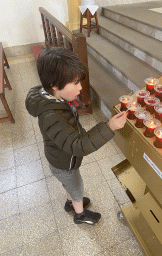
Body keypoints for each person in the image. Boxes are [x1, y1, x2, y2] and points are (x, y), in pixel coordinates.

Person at [25, 47, 127, 225]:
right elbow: (78, 145)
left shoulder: (50, 97)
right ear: (54, 85)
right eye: (74, 83)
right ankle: (80, 214)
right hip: (65, 163)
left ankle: (69, 202)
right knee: (76, 186)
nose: (80, 87)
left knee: (69, 185)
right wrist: (110, 127)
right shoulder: (52, 116)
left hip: (61, 158)